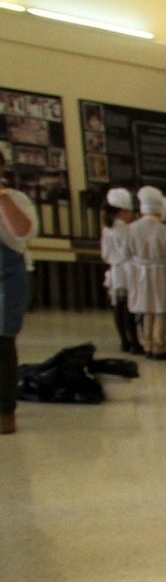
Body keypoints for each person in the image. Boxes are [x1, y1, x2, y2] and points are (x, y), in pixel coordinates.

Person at [0, 151, 39, 435]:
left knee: (2, 344)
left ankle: (4, 411)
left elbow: (22, 233)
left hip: (7, 278)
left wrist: (2, 199)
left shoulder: (16, 199)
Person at [125, 186, 166, 360]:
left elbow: (126, 252)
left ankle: (147, 344)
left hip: (139, 273)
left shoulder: (130, 228)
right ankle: (158, 347)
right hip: (162, 273)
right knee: (161, 310)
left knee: (146, 309)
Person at [100, 188, 138, 353]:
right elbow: (131, 250)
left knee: (118, 308)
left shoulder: (107, 230)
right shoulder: (127, 230)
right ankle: (134, 342)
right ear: (123, 211)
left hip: (115, 270)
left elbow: (105, 254)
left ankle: (124, 341)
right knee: (130, 309)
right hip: (128, 270)